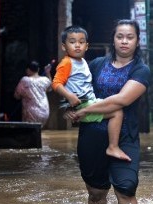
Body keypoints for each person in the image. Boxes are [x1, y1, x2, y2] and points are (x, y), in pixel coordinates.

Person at [65, 19, 150, 204]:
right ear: (113, 40)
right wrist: (70, 108)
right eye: (120, 37)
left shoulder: (141, 70)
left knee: (126, 190)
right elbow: (77, 89)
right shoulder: (96, 65)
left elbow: (122, 99)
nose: (124, 41)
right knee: (96, 194)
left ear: (137, 41)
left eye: (130, 37)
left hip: (125, 136)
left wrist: (86, 110)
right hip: (92, 135)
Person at [52, 26, 131, 161]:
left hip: (86, 103)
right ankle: (113, 147)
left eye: (81, 42)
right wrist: (70, 98)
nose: (77, 45)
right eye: (72, 42)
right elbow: (56, 83)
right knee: (117, 112)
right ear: (64, 47)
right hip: (82, 104)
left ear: (87, 46)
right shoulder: (66, 63)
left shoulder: (82, 62)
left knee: (113, 104)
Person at [14, 61, 52, 126]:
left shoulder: (25, 80)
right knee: (38, 131)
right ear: (38, 69)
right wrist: (48, 72)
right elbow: (50, 88)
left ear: (28, 70)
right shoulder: (45, 80)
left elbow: (16, 96)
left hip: (31, 113)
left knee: (30, 132)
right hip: (44, 112)